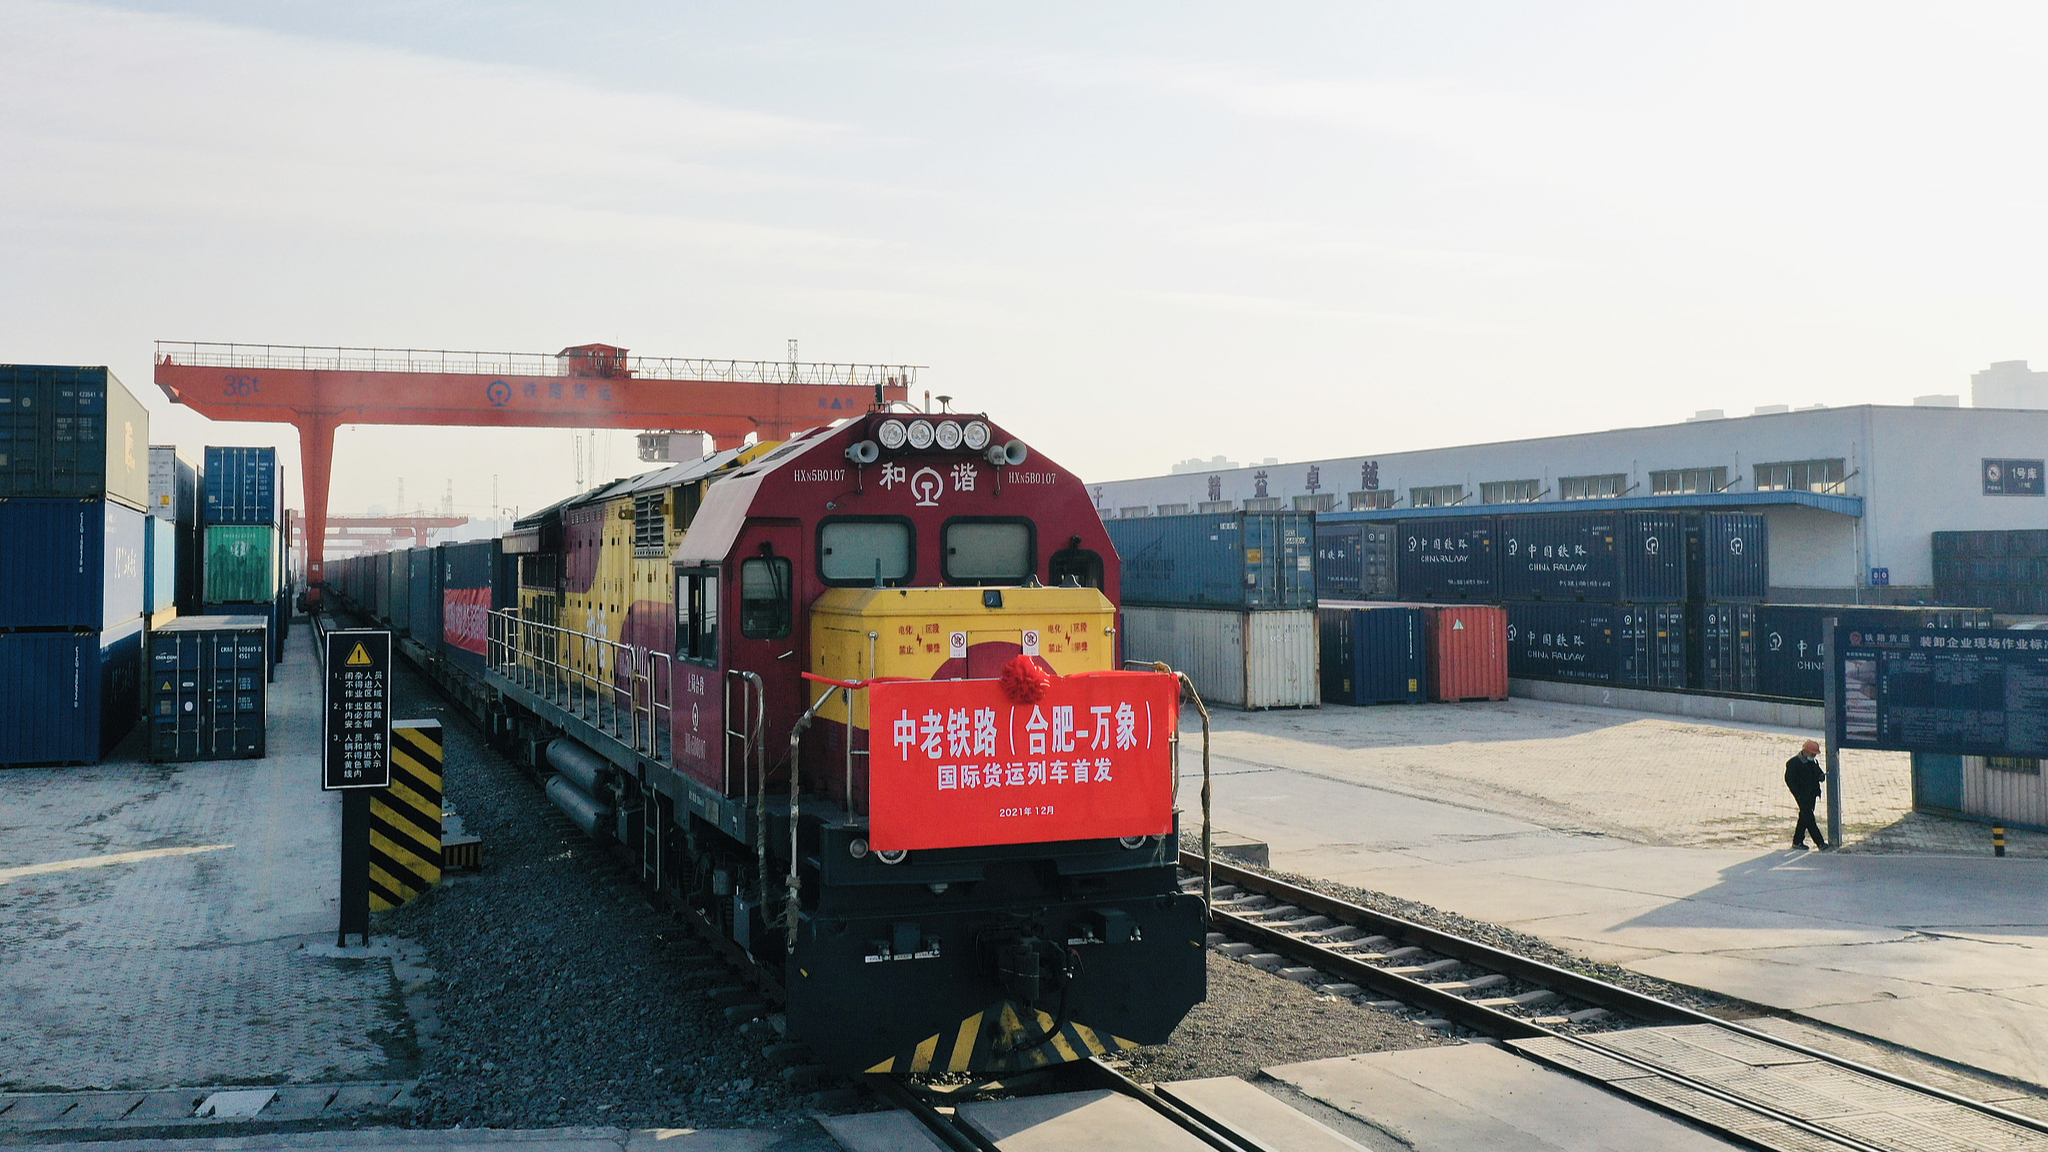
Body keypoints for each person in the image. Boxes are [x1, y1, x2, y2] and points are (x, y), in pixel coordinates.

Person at [1785, 739, 1829, 850]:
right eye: (1812, 754)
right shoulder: (1793, 763)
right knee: (1809, 818)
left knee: (1804, 817)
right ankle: (1820, 843)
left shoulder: (1812, 763)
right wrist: (1797, 793)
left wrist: (1821, 776)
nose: (1814, 756)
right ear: (1805, 751)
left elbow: (1819, 773)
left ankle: (1797, 841)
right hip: (1801, 795)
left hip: (1812, 794)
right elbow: (1789, 780)